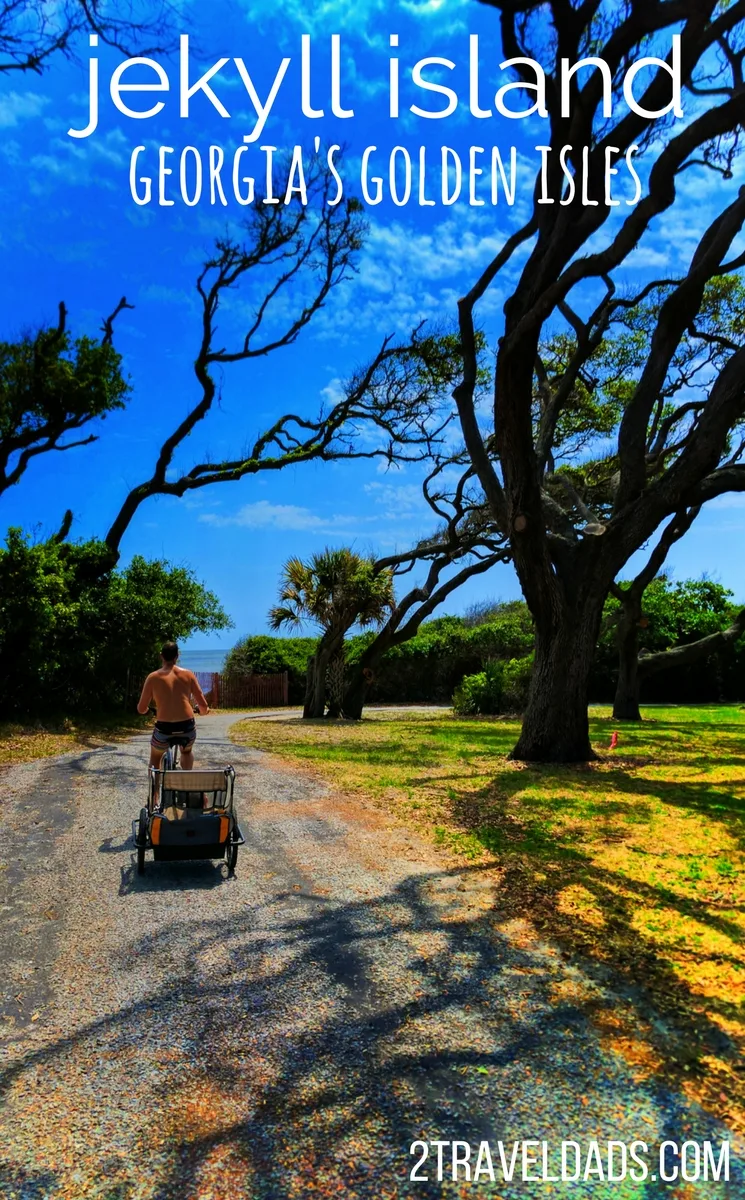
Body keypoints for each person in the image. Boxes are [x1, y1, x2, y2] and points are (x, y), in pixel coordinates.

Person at [137, 641, 209, 772]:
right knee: (186, 752)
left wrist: (150, 711)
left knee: (155, 756)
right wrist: (202, 711)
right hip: (186, 727)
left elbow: (141, 709)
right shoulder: (188, 674)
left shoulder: (153, 677)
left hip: (164, 728)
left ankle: (155, 793)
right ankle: (186, 782)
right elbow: (203, 706)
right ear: (177, 656)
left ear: (161, 656)